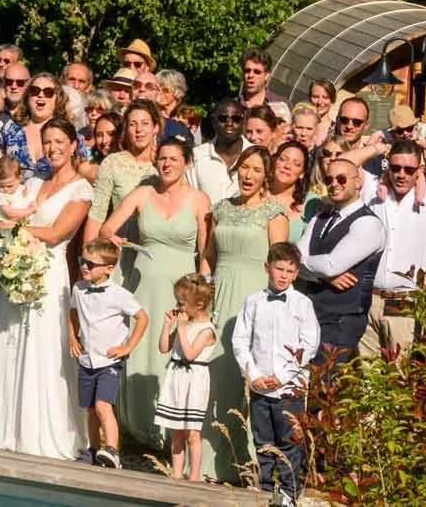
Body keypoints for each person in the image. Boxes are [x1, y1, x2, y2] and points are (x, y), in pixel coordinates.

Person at [0, 115, 89, 458]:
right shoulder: (35, 180)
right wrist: (9, 233)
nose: (53, 148)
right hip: (19, 267)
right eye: (48, 141)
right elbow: (8, 211)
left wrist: (15, 230)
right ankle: (5, 428)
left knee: (43, 347)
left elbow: (57, 233)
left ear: (73, 146)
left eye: (60, 141)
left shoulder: (81, 189)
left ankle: (40, 433)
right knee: (11, 341)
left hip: (50, 273)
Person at [98, 134, 210, 444]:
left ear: (186, 163)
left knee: (171, 354)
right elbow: (108, 227)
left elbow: (205, 252)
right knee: (142, 350)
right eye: (162, 158)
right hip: (143, 284)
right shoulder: (144, 193)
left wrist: (200, 294)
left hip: (181, 291)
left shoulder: (199, 199)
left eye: (174, 158)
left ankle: (168, 434)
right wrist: (114, 237)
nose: (167, 164)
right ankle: (133, 427)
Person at [201, 144, 289, 477]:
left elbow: (280, 263)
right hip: (221, 297)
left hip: (255, 301)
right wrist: (200, 297)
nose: (248, 175)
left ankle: (252, 465)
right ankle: (213, 463)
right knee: (218, 377)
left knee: (249, 381)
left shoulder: (273, 212)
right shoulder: (222, 209)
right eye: (244, 168)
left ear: (266, 175)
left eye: (256, 169)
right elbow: (208, 256)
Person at [233, 242, 317, 507]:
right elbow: (240, 340)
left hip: (289, 388)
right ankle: (266, 489)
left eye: (290, 271)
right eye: (279, 268)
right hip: (260, 387)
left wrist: (282, 376)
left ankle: (290, 494)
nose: (283, 275)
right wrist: (253, 374)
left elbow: (309, 345)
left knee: (289, 442)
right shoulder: (253, 301)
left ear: (296, 274)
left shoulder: (302, 304)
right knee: (263, 441)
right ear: (266, 267)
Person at [365, 134, 426, 358]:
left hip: (403, 301)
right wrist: (377, 148)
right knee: (366, 382)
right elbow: (343, 165)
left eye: (409, 170)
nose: (401, 175)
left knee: (399, 378)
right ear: (388, 167)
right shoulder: (374, 192)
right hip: (368, 298)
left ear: (419, 170)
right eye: (396, 167)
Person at [68, 236, 147, 470]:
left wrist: (127, 347)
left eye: (90, 264)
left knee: (104, 406)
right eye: (83, 261)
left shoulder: (118, 294)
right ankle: (93, 450)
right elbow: (72, 313)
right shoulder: (79, 289)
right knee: (90, 409)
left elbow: (142, 317)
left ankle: (112, 450)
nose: (84, 267)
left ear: (109, 268)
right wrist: (72, 338)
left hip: (109, 360)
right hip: (87, 359)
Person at [296, 155, 384, 363]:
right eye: (329, 180)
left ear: (358, 181)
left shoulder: (368, 223)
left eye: (341, 179)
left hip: (341, 320)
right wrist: (323, 276)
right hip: (309, 313)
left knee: (325, 387)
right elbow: (295, 259)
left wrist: (311, 268)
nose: (334, 184)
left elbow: (330, 265)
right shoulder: (320, 217)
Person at [155, 274, 221, 482]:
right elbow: (164, 348)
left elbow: (191, 354)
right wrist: (168, 326)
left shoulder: (207, 329)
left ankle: (193, 477)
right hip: (176, 378)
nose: (178, 307)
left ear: (199, 304)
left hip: (194, 381)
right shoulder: (184, 322)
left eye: (182, 304)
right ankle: (176, 474)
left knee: (192, 433)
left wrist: (182, 328)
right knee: (176, 431)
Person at [84, 100, 161, 246]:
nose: (139, 129)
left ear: (155, 127)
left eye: (145, 123)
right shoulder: (112, 163)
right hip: (120, 245)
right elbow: (97, 214)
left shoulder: (166, 163)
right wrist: (89, 258)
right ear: (126, 129)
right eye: (133, 124)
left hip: (156, 249)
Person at [191, 100, 248, 203]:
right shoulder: (196, 156)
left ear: (243, 122)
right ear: (213, 122)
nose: (229, 123)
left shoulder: (256, 155)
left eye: (236, 118)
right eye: (223, 118)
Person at [239, 49, 291, 123]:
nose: (251, 75)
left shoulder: (281, 105)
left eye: (257, 72)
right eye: (247, 71)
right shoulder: (234, 107)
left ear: (266, 75)